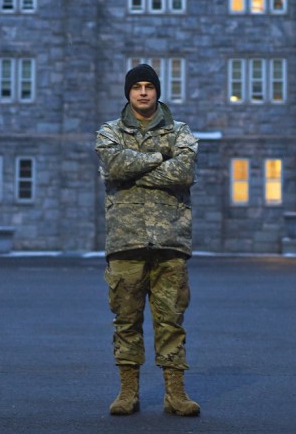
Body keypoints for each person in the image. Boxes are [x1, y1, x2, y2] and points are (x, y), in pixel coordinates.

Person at [94, 64, 201, 417]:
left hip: (170, 241)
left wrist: (137, 171)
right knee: (126, 320)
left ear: (157, 92)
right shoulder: (110, 132)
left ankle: (175, 394)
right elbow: (114, 166)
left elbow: (184, 172)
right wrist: (159, 158)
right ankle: (128, 393)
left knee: (171, 320)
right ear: (128, 92)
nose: (143, 92)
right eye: (137, 86)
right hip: (126, 242)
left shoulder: (180, 131)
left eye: (149, 87)